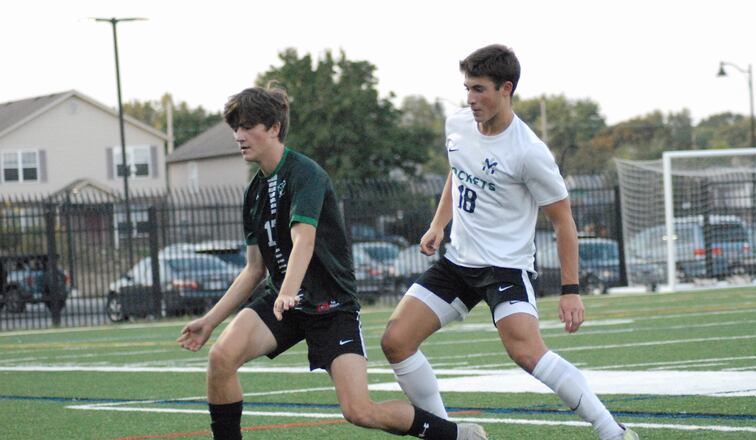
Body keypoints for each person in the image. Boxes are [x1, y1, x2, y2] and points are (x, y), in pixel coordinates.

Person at [177, 86, 486, 440]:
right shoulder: (254, 193)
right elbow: (253, 270)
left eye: (247, 127)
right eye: (236, 128)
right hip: (285, 303)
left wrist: (289, 291)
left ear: (274, 128)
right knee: (221, 358)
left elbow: (303, 241)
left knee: (360, 411)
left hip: (330, 307)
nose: (238, 136)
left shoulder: (305, 173)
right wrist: (209, 321)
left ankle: (453, 434)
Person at [380, 45, 639, 440]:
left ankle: (613, 432)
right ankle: (449, 434)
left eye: (479, 89)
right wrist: (438, 225)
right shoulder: (458, 125)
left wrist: (571, 290)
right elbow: (458, 172)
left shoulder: (529, 152)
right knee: (396, 341)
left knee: (527, 354)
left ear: (506, 89)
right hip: (457, 263)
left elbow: (563, 220)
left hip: (505, 267)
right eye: (467, 88)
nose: (470, 99)